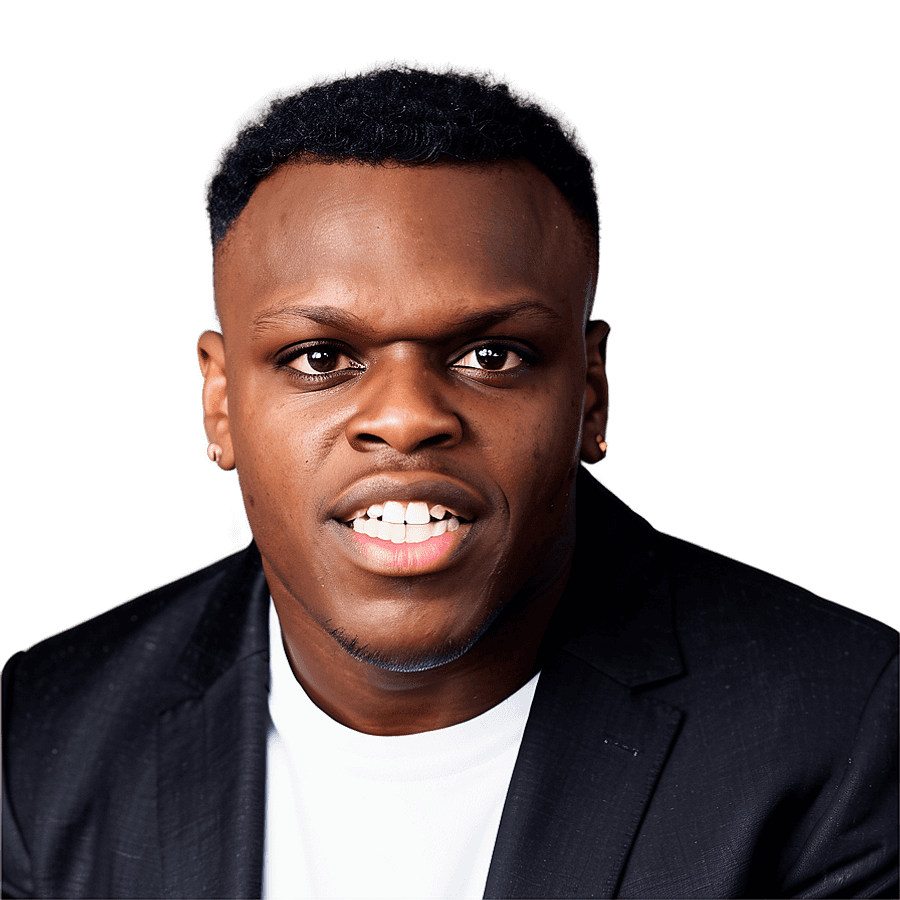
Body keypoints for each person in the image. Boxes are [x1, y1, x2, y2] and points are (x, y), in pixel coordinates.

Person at [1, 60, 897, 900]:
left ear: (590, 393)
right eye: (320, 357)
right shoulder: (40, 737)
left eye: (491, 354)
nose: (405, 419)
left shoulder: (840, 733)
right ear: (220, 403)